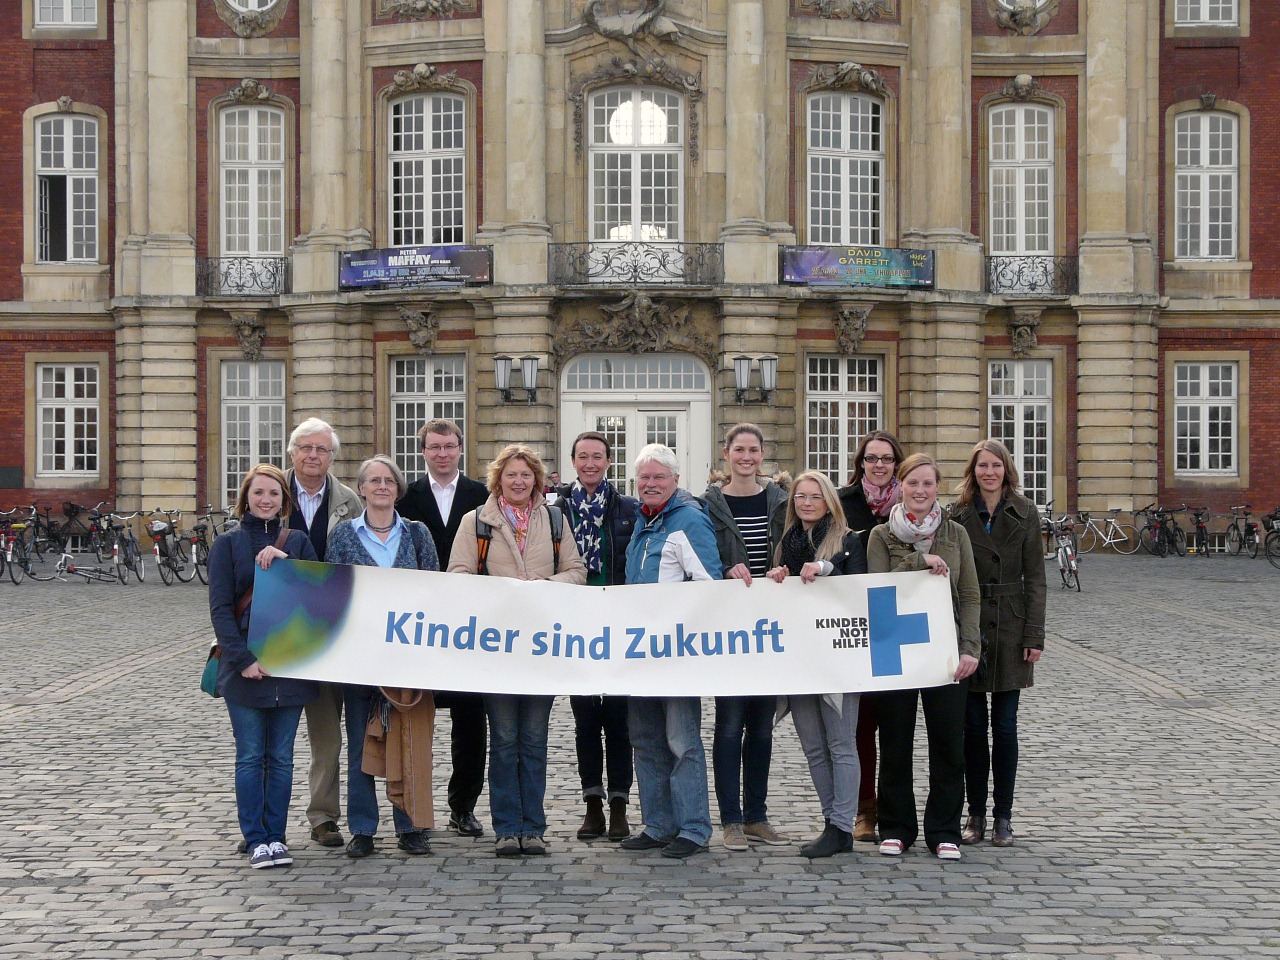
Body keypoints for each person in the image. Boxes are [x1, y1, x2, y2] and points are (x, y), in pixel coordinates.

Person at [448, 444, 587, 856]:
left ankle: (535, 827)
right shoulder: (476, 522)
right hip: (498, 649)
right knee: (505, 739)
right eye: (511, 474)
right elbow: (457, 575)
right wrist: (503, 593)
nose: (519, 481)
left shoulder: (556, 520)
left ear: (537, 480)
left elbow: (577, 572)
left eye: (526, 475)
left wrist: (544, 588)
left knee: (535, 739)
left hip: (542, 647)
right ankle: (507, 827)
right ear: (498, 479)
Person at [866, 453, 981, 862]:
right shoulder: (881, 535)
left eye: (928, 484)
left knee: (948, 743)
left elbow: (969, 594)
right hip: (897, 648)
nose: (920, 491)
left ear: (937, 488)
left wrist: (970, 649)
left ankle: (944, 829)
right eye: (913, 483)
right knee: (894, 741)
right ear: (900, 486)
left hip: (944, 650)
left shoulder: (956, 535)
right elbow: (879, 587)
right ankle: (896, 827)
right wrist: (919, 561)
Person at [325, 455, 440, 859]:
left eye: (388, 481)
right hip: (359, 659)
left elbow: (434, 590)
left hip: (407, 659)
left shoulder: (417, 533)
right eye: (373, 481)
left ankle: (410, 827)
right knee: (360, 745)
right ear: (361, 489)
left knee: (407, 742)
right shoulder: (343, 535)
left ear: (398, 488)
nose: (381, 487)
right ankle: (363, 828)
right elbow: (332, 591)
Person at [208, 463, 319, 869]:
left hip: (289, 666)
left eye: (273, 493)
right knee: (252, 755)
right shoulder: (227, 545)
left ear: (284, 500)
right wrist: (243, 660)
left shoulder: (300, 542)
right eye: (259, 493)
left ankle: (277, 836)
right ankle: (255, 838)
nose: (266, 500)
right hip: (244, 670)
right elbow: (220, 610)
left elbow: (314, 600)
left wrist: (286, 560)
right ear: (246, 498)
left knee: (283, 756)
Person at [620, 443, 720, 860]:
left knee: (682, 742)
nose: (650, 484)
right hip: (639, 655)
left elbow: (708, 586)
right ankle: (658, 824)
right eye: (644, 477)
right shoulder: (644, 523)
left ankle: (694, 828)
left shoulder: (688, 521)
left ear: (676, 481)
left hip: (675, 655)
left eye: (659, 477)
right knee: (644, 741)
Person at [396, 418, 491, 839]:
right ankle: (416, 809)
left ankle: (463, 806)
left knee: (472, 722)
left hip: (471, 626)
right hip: (421, 624)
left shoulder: (481, 496)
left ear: (459, 449)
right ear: (423, 452)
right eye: (433, 447)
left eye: (449, 446)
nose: (442, 453)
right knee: (417, 721)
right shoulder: (406, 497)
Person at [765, 470, 867, 858]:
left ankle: (843, 824)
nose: (806, 503)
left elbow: (858, 590)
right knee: (813, 745)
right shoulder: (786, 542)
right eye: (800, 497)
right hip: (798, 659)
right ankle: (831, 822)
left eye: (815, 497)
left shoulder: (848, 541)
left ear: (829, 501)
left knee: (841, 743)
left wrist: (826, 570)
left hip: (837, 659)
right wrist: (776, 576)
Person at [950, 439, 1046, 848]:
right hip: (970, 626)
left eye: (996, 465)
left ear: (1007, 470)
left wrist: (1034, 635)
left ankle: (1003, 816)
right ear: (973, 472)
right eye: (982, 466)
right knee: (972, 728)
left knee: (1005, 727)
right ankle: (973, 814)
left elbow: (1037, 580)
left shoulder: (1025, 514)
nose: (989, 472)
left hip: (1010, 624)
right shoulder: (956, 515)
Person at [701, 423, 790, 852]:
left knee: (762, 729)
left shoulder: (781, 501)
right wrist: (723, 570)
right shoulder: (708, 505)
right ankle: (731, 820)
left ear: (762, 454)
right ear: (726, 454)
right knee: (728, 725)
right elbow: (701, 557)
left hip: (772, 626)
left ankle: (757, 816)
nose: (747, 456)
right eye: (739, 449)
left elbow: (797, 549)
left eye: (754, 449)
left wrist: (786, 568)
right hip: (729, 629)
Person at [553, 431, 639, 842]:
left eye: (597, 457)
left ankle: (620, 805)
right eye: (583, 456)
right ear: (573, 462)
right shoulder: (557, 510)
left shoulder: (627, 508)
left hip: (619, 623)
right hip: (576, 625)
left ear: (609, 462)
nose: (590, 463)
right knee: (586, 720)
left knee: (620, 721)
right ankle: (592, 805)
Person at [284, 417, 362, 851]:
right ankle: (265, 821)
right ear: (292, 452)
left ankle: (325, 817)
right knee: (280, 734)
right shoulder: (270, 493)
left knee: (333, 731)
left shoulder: (349, 501)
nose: (313, 456)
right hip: (284, 626)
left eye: (322, 450)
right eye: (306, 448)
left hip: (336, 627)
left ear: (333, 456)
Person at [837, 429, 905, 842]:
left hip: (898, 627)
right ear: (860, 462)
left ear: (897, 463)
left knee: (896, 725)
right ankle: (865, 809)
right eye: (871, 458)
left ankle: (896, 809)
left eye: (887, 458)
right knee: (860, 727)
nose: (879, 465)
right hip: (854, 627)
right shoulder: (843, 505)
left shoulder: (913, 502)